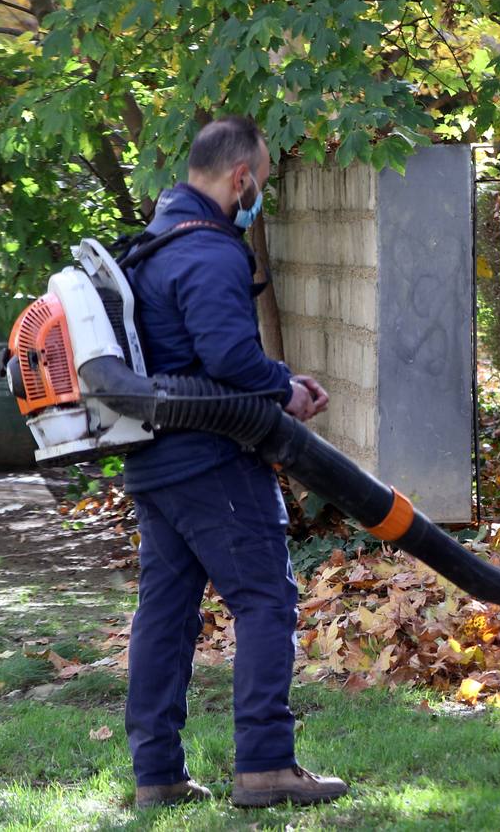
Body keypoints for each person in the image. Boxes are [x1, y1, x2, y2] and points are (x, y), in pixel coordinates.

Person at [122, 116, 349, 809]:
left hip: (154, 462)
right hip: (210, 461)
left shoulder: (152, 245)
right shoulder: (210, 252)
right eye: (263, 183)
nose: (260, 198)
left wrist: (277, 381)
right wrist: (286, 388)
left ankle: (157, 774)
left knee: (165, 613)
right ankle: (265, 765)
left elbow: (196, 357)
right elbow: (226, 359)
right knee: (266, 601)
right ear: (241, 177)